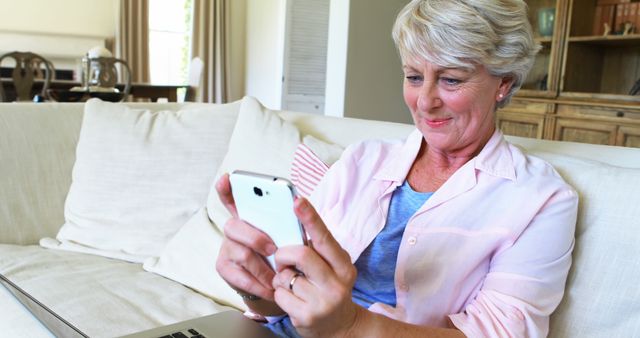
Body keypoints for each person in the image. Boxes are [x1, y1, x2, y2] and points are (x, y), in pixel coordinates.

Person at [215, 0, 578, 337]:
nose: (425, 101)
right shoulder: (362, 159)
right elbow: (281, 298)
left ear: (504, 83)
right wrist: (254, 286)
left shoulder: (540, 198)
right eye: (414, 77)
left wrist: (351, 325)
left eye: (451, 79)